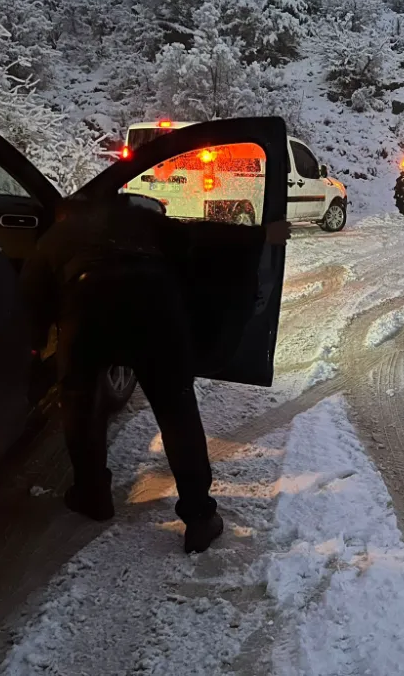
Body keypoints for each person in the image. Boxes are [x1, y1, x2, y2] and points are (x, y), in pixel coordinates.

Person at [20, 194, 291, 553]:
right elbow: (201, 237)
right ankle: (198, 517)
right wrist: (261, 235)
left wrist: (38, 348)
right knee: (176, 410)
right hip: (155, 311)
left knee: (80, 404)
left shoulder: (57, 235)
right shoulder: (144, 222)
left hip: (87, 312)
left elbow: (31, 296)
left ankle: (93, 494)